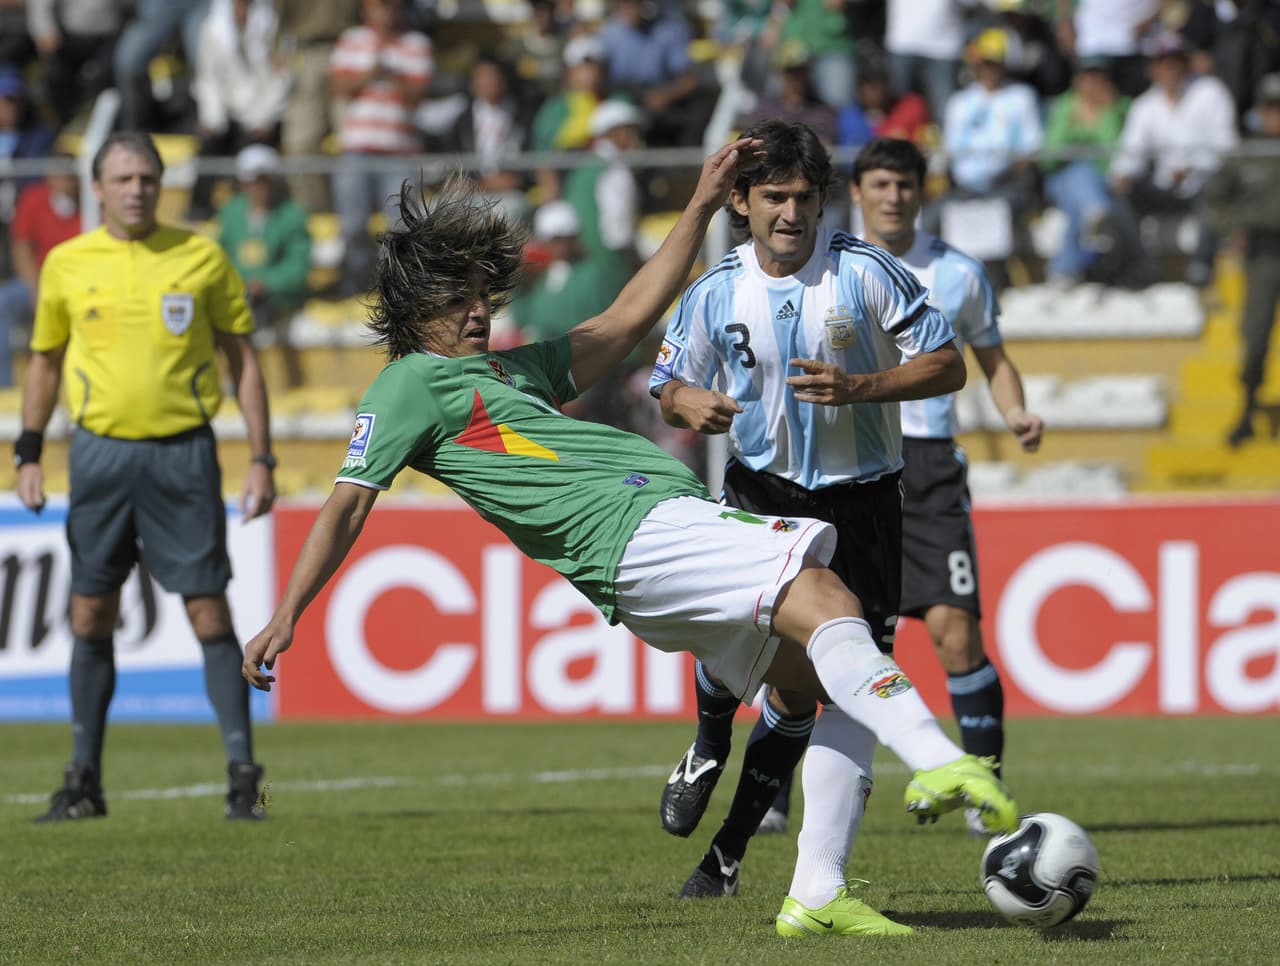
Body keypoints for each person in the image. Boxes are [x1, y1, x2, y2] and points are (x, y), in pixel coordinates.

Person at [240, 135, 1020, 940]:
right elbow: (346, 505)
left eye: (483, 296)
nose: (479, 312)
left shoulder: (504, 373)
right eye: (457, 300)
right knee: (829, 602)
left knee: (822, 675)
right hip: (641, 531)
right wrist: (285, 614)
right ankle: (939, 762)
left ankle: (818, 890)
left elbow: (624, 319)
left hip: (648, 556)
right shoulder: (408, 384)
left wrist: (700, 205)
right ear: (412, 311)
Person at [646, 122, 978, 914]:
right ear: (741, 202)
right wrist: (684, 399)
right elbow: (667, 380)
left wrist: (862, 387)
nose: (791, 213)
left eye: (804, 197)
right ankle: (709, 741)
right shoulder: (716, 289)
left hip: (862, 504)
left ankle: (731, 856)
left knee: (805, 696)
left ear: (823, 200)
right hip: (760, 496)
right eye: (773, 198)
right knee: (736, 661)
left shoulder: (866, 272)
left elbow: (948, 362)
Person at [17, 131, 276, 822]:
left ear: (161, 188)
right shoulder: (67, 264)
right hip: (98, 455)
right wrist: (29, 449)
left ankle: (242, 779)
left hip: (182, 455)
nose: (136, 189)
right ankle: (83, 782)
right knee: (89, 610)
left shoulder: (200, 256)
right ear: (98, 187)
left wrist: (261, 456)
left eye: (148, 179)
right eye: (123, 178)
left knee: (207, 609)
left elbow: (243, 360)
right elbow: (45, 361)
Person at [1108, 29, 1239, 287]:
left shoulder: (1211, 93)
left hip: (1203, 183)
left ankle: (1201, 266)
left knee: (1213, 189)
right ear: (1153, 69)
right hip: (1164, 186)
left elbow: (1227, 148)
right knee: (1119, 196)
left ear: (1187, 64)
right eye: (1163, 63)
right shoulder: (1145, 105)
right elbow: (1130, 152)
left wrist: (1193, 167)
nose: (1171, 69)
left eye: (1176, 62)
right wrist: (1122, 174)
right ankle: (1143, 266)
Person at [1204, 72, 1280, 447]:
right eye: (1272, 108)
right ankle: (1248, 408)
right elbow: (1214, 198)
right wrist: (1234, 228)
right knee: (1255, 335)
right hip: (1263, 254)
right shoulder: (1246, 153)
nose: (1277, 116)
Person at [216, 144, 312, 388]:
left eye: (263, 180)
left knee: (246, 319)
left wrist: (266, 282)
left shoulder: (292, 215)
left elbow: (298, 266)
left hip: (275, 297)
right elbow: (220, 256)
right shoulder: (231, 212)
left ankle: (242, 378)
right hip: (242, 293)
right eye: (251, 181)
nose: (257, 187)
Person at [0, 162, 81, 388]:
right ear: (51, 178)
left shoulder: (91, 206)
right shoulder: (34, 199)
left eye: (72, 177)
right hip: (36, 284)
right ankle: (3, 389)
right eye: (64, 176)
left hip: (77, 286)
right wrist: (37, 290)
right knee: (3, 302)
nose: (69, 183)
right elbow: (21, 247)